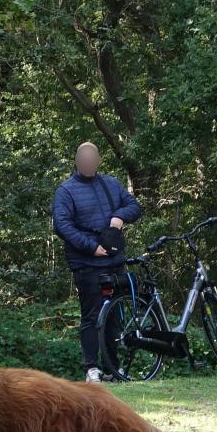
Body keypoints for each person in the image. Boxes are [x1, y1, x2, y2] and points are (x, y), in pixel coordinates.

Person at [51, 143, 142, 382]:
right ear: (77, 160)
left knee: (114, 316)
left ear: (98, 160)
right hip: (87, 264)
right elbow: (62, 226)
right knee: (91, 316)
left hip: (114, 260)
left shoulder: (111, 184)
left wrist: (119, 216)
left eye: (92, 159)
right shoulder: (66, 190)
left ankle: (113, 367)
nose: (87, 163)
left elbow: (134, 206)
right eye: (83, 159)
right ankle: (92, 368)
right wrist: (92, 247)